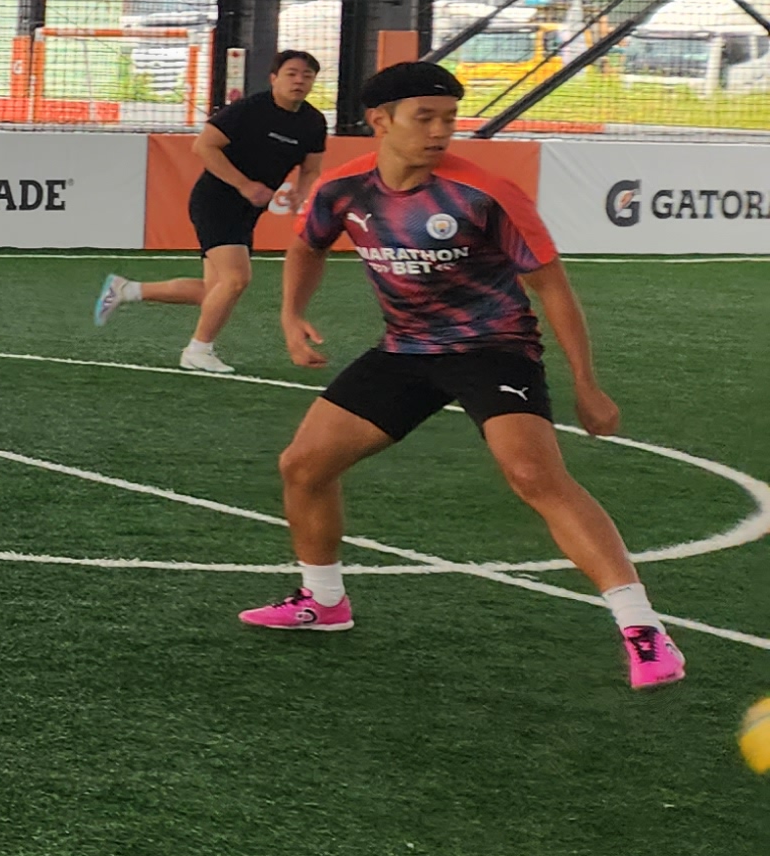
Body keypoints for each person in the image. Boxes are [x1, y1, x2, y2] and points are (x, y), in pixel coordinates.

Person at [246, 57, 680, 688]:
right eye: (424, 118)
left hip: (494, 348)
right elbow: (307, 245)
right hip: (405, 350)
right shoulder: (344, 189)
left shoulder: (484, 193)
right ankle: (324, 599)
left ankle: (643, 630)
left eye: (449, 118)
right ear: (379, 121)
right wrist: (291, 315)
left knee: (533, 474)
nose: (440, 131)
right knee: (304, 465)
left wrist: (586, 383)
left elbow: (552, 287)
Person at [95, 47, 332, 371]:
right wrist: (244, 185)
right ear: (274, 78)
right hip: (216, 200)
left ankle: (125, 290)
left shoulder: (314, 122)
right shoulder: (248, 109)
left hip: (249, 210)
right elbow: (203, 146)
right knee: (236, 279)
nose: (299, 81)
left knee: (213, 291)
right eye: (292, 74)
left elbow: (311, 168)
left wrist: (301, 195)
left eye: (307, 76)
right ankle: (198, 351)